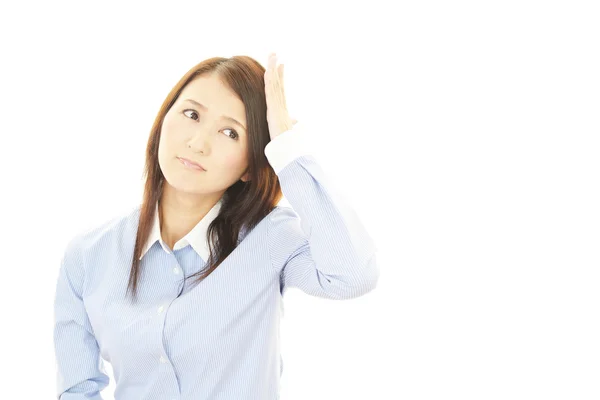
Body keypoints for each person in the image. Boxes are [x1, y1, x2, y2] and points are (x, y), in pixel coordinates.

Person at [53, 53, 379, 400]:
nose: (198, 143)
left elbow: (352, 275)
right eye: (191, 114)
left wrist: (287, 148)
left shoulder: (270, 238)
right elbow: (78, 389)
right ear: (164, 118)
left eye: (229, 132)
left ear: (251, 165)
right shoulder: (88, 255)